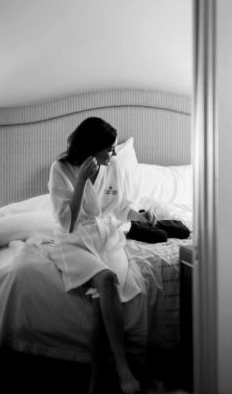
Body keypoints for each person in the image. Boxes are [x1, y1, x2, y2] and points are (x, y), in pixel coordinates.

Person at [48, 117, 153, 394]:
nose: (114, 153)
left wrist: (139, 216)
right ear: (92, 148)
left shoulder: (114, 167)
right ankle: (122, 368)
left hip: (106, 238)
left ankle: (96, 380)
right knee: (106, 280)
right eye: (109, 148)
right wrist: (81, 180)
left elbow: (120, 208)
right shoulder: (61, 169)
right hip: (74, 240)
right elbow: (66, 222)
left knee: (100, 301)